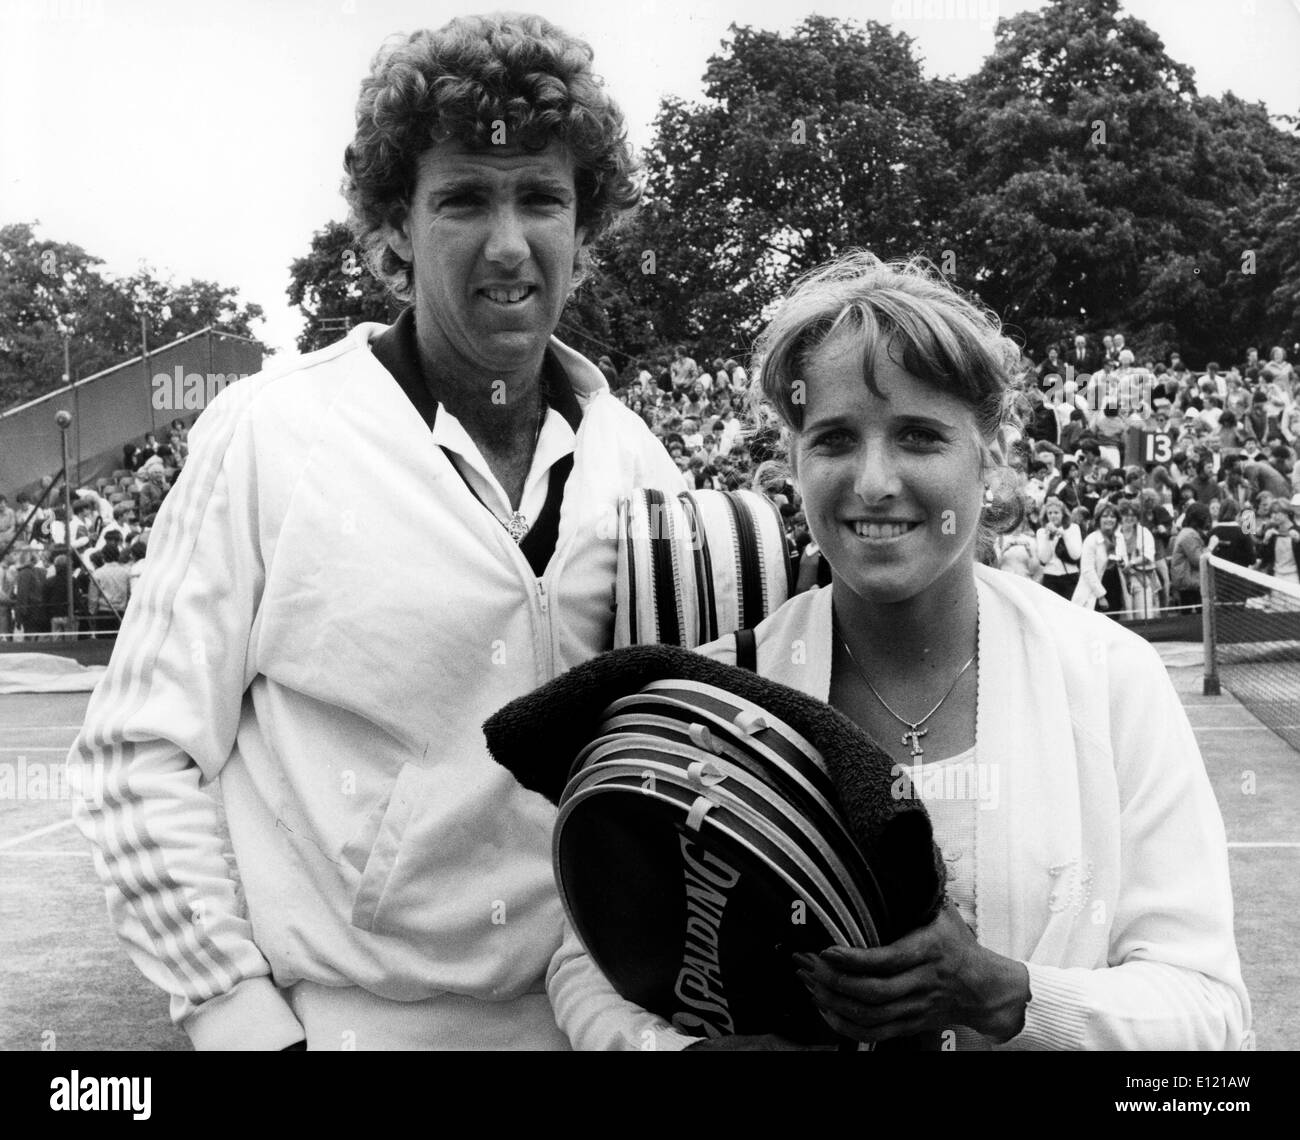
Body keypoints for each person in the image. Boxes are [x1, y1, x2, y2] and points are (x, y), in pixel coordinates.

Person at [68, 13, 691, 1052]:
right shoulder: (271, 434)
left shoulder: (636, 464)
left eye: (541, 196)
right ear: (394, 228)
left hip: (598, 1027)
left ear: (585, 228)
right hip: (353, 1028)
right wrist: (236, 1015)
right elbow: (137, 752)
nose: (508, 243)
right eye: (462, 199)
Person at [682, 252, 1248, 1049]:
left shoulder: (1110, 677)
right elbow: (591, 966)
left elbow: (1211, 1016)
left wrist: (1004, 993)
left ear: (990, 455)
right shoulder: (720, 690)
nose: (874, 481)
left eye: (918, 436)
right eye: (836, 439)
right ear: (794, 460)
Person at [1073, 501, 1125, 614]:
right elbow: (1087, 571)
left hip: (1116, 587)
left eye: (1112, 516)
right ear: (1098, 519)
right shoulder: (1091, 540)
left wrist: (1123, 563)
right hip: (1095, 592)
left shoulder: (1120, 537)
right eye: (1105, 516)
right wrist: (1101, 596)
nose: (1109, 519)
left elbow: (1124, 561)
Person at [1034, 496, 1081, 599]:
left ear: (1063, 514)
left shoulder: (1073, 528)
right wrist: (1047, 537)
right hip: (1050, 577)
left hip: (1070, 576)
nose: (1053, 516)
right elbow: (1043, 559)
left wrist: (1064, 535)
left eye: (1056, 513)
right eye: (1049, 513)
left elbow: (1076, 555)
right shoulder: (1041, 532)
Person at [1170, 502, 1213, 608]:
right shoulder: (1189, 534)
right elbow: (1199, 560)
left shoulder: (1189, 533)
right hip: (1189, 585)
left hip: (1189, 584)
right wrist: (1211, 546)